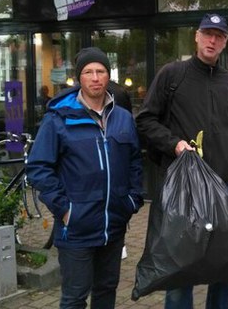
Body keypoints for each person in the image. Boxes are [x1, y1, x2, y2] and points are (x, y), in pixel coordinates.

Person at [136, 13, 228, 309]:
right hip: (185, 188)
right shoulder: (173, 74)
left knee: (224, 265)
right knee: (179, 265)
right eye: (207, 33)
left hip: (224, 186)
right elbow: (145, 120)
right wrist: (175, 144)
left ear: (225, 42)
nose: (212, 40)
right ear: (196, 36)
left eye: (219, 36)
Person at [26, 46, 144, 309]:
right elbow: (38, 167)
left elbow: (135, 161)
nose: (95, 77)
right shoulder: (58, 119)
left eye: (100, 71)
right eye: (88, 72)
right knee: (75, 297)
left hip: (113, 225)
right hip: (76, 227)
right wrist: (64, 210)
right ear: (79, 77)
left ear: (108, 76)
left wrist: (131, 200)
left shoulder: (123, 118)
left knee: (106, 291)